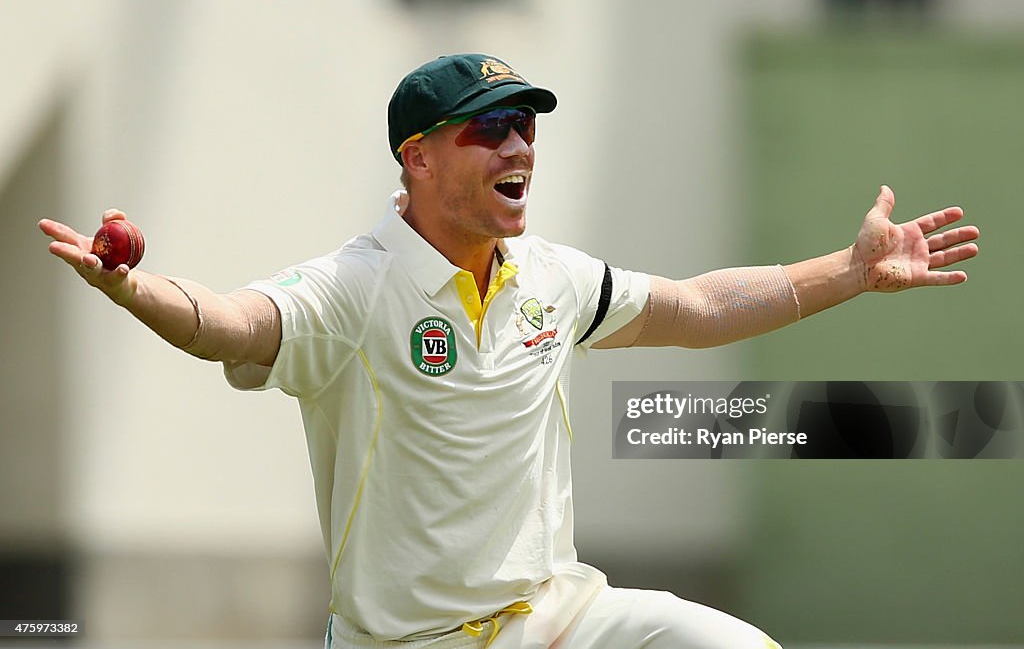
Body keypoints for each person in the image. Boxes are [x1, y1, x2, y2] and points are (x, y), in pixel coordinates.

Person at [39, 53, 979, 649]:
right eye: (489, 127)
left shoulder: (550, 278)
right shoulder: (355, 287)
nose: (517, 142)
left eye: (525, 125)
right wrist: (136, 290)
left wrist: (850, 272)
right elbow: (232, 322)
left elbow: (695, 305)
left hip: (557, 616)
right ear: (418, 158)